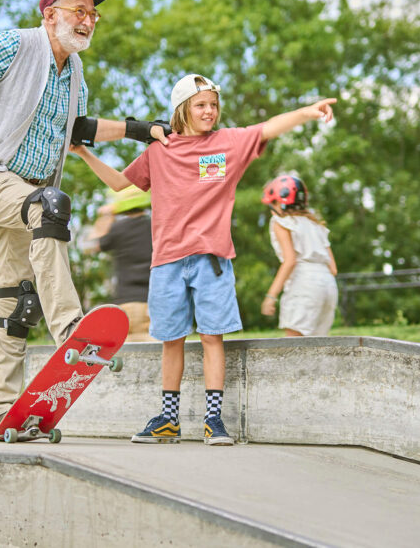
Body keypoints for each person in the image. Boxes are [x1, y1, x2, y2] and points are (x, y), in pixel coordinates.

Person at [0, 0, 172, 441]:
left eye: (93, 15)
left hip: (24, 196)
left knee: (14, 304)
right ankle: (70, 328)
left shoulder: (74, 71)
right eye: (79, 11)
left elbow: (77, 129)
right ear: (49, 14)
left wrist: (143, 129)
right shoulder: (16, 45)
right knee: (50, 206)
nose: (88, 21)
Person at [72, 73, 335, 446]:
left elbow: (267, 129)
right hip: (167, 262)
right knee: (171, 340)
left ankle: (214, 420)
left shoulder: (228, 143)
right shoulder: (159, 151)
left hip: (211, 260)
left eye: (213, 105)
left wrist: (306, 113)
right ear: (183, 109)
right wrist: (83, 152)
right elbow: (119, 185)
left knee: (213, 337)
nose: (209, 111)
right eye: (201, 105)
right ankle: (168, 420)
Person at [259, 175, 338, 337]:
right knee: (318, 348)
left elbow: (290, 261)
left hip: (304, 284)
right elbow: (334, 269)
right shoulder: (317, 225)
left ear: (279, 202)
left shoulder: (281, 222)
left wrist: (271, 296)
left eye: (272, 203)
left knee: (294, 348)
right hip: (328, 286)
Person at [83, 186, 153, 342]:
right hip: (154, 302)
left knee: (126, 353)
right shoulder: (155, 225)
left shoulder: (118, 229)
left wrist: (106, 215)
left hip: (125, 303)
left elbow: (88, 246)